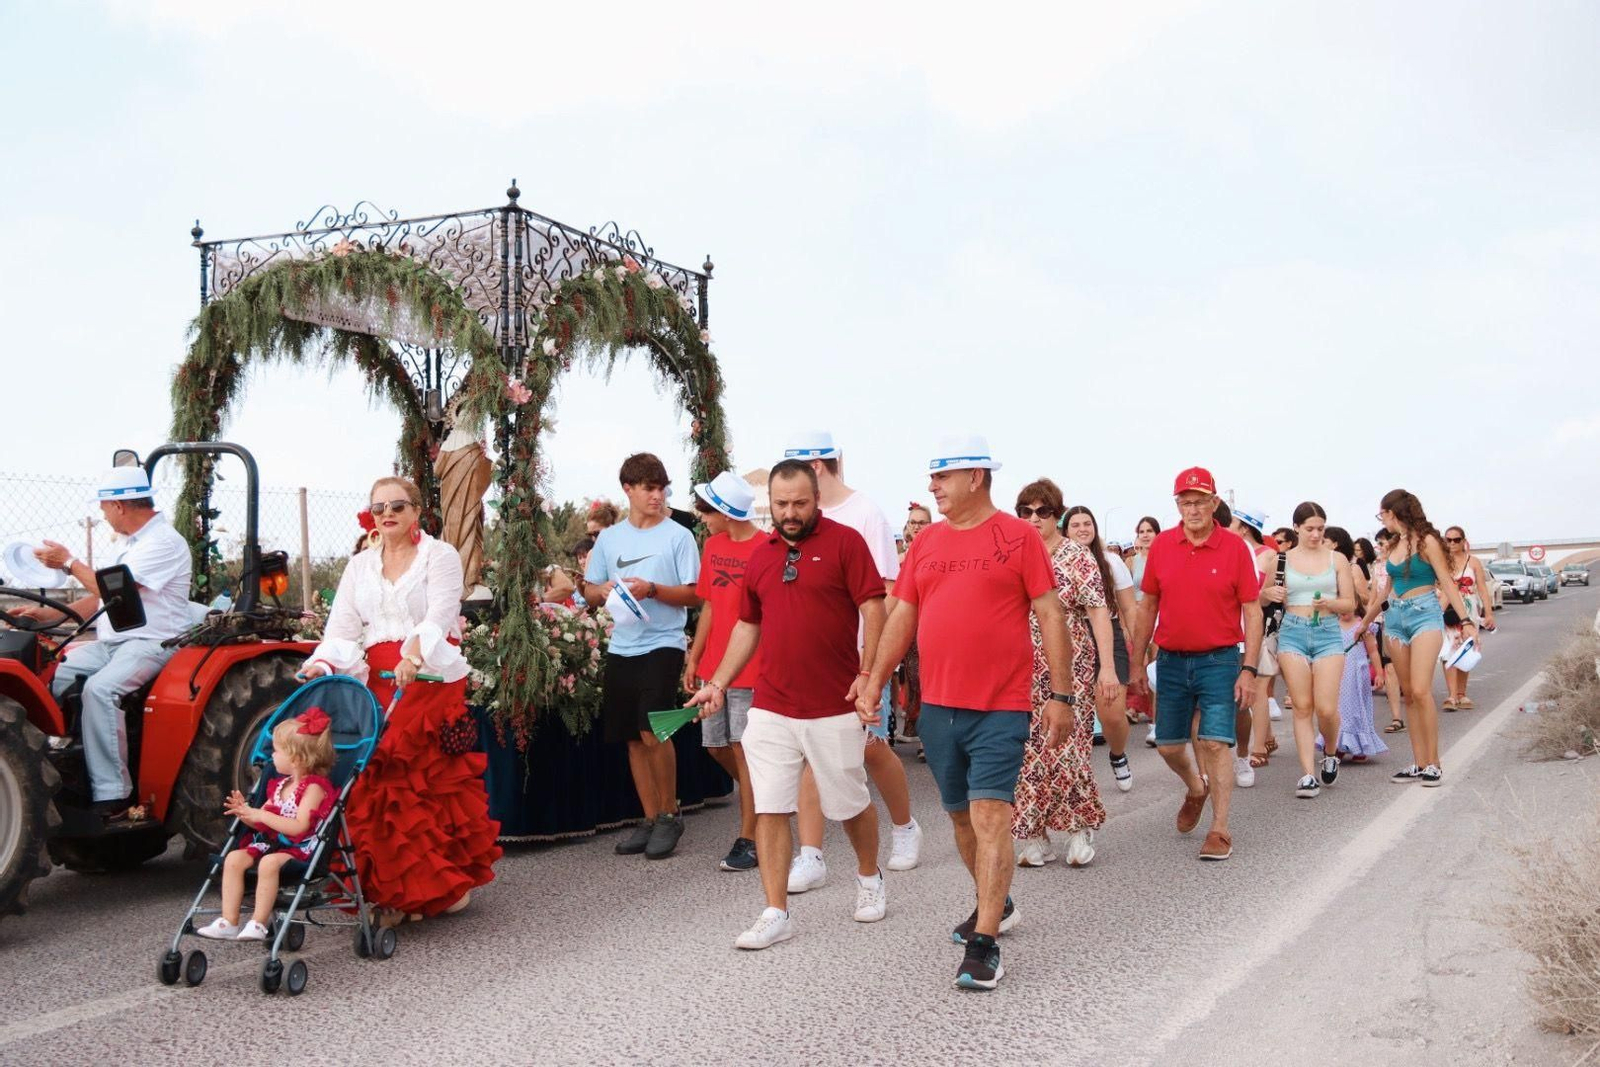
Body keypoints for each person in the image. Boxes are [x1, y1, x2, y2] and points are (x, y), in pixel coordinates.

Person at [863, 434, 1074, 991]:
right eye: (932, 477)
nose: (932, 487)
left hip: (1000, 706)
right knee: (959, 817)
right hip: (938, 706)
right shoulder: (927, 542)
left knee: (989, 817)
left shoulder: (1018, 536)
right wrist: (874, 680)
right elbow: (902, 614)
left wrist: (1062, 694)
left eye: (942, 477)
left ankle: (984, 945)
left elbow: (1051, 615)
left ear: (975, 477)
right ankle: (997, 904)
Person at [686, 460, 888, 950]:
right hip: (771, 705)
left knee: (850, 802)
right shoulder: (760, 556)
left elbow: (874, 607)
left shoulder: (846, 542)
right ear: (768, 504)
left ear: (816, 497)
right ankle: (776, 910)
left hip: (833, 702)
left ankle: (869, 878)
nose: (791, 513)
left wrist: (868, 675)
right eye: (781, 504)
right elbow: (747, 626)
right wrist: (718, 681)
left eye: (800, 503)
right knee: (771, 808)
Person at [300, 475, 500, 921]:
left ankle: (422, 890)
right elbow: (343, 628)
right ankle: (390, 887)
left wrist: (414, 650)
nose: (387, 514)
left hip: (427, 675)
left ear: (415, 511)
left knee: (411, 773)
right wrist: (322, 663)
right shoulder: (359, 566)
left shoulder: (439, 556)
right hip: (378, 681)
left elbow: (442, 611)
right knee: (370, 770)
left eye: (397, 505)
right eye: (379, 508)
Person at [782, 431, 922, 893]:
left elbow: (886, 587)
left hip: (862, 656)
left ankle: (904, 828)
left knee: (868, 746)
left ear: (817, 468)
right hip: (811, 660)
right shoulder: (794, 518)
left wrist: (875, 663)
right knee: (809, 750)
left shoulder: (865, 512)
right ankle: (811, 854)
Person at [29, 467, 194, 820]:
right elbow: (100, 597)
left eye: (104, 508)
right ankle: (65, 764)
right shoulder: (129, 544)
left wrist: (69, 563)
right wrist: (46, 615)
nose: (103, 515)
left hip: (152, 642)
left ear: (119, 505)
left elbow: (113, 590)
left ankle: (112, 795)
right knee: (51, 678)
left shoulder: (163, 542)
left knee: (100, 690)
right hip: (113, 643)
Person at [1128, 467, 1263, 862]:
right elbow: (1148, 605)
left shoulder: (1235, 549)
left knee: (1215, 742)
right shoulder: (1164, 547)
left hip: (1220, 659)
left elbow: (1252, 612)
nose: (1193, 509)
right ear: (1177, 506)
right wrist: (1136, 664)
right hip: (1170, 660)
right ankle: (1195, 787)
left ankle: (1219, 829)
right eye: (1185, 502)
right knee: (1169, 746)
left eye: (1200, 501)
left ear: (1214, 503)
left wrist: (1249, 669)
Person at [583, 453, 702, 859]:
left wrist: (651, 588)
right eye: (649, 488)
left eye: (662, 487)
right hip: (622, 644)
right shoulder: (610, 538)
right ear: (628, 489)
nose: (657, 495)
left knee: (655, 727)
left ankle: (671, 814)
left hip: (664, 641)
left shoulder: (678, 536)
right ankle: (650, 818)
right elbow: (589, 588)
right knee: (631, 737)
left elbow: (695, 594)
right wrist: (599, 593)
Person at [1010, 484, 1105, 870]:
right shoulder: (1014, 553)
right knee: (1029, 750)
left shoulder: (1076, 555)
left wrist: (1108, 668)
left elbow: (1098, 611)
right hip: (1021, 665)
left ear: (1058, 515)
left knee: (1068, 747)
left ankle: (1080, 827)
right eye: (1026, 511)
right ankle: (1034, 834)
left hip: (1071, 664)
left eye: (1043, 511)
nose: (1034, 519)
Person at [1363, 489, 1478, 787]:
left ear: (1394, 512)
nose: (1382, 520)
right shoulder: (1393, 544)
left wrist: (1465, 620)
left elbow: (1448, 583)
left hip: (1425, 613)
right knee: (1409, 693)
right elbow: (1385, 590)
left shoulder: (1427, 542)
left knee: (1422, 689)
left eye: (1382, 514)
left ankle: (1434, 763)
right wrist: (1363, 623)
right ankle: (1418, 762)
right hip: (1396, 618)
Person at [197, 710, 336, 941]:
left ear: (296, 759)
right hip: (272, 842)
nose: (272, 756)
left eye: (277, 751)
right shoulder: (280, 784)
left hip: (298, 847)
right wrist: (245, 814)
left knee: (269, 863)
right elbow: (262, 819)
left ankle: (258, 923)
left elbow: (299, 827)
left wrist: (261, 815)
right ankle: (228, 921)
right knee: (233, 858)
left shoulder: (314, 788)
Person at [684, 472, 763, 872]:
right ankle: (766, 798)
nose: (702, 518)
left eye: (707, 510)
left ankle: (751, 838)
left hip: (752, 669)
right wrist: (694, 658)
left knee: (742, 751)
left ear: (726, 512)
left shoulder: (767, 547)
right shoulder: (713, 545)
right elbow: (710, 607)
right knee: (716, 747)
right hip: (713, 669)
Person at [1271, 503, 1357, 799]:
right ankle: (1307, 774)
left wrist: (1329, 604)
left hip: (1328, 632)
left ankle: (1330, 753)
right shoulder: (1281, 559)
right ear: (1296, 528)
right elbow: (1260, 599)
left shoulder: (1338, 559)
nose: (1316, 534)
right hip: (1292, 631)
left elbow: (1350, 603)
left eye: (1321, 528)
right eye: (1309, 528)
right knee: (1302, 706)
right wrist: (1268, 593)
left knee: (1326, 708)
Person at [1063, 504, 1135, 793]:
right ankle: (1077, 778)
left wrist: (1136, 644)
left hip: (1110, 635)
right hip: (1069, 639)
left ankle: (1118, 754)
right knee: (1074, 716)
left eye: (1087, 524)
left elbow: (1129, 606)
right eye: (1076, 524)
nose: (1082, 529)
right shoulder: (1057, 560)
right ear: (1065, 530)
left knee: (1112, 714)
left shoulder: (1111, 561)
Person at [1324, 525, 1388, 764]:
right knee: (1334, 706)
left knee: (1356, 707)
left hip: (1357, 672)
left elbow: (1372, 648)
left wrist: (1379, 672)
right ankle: (1337, 743)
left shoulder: (1361, 625)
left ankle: (1358, 743)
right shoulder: (1330, 624)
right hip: (1335, 672)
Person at [1230, 503, 1280, 785]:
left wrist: (1256, 595)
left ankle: (1258, 747)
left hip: (1257, 624)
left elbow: (1267, 597)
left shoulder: (1268, 556)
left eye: (1234, 524)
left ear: (1245, 528)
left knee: (1258, 686)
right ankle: (1267, 737)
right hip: (1235, 623)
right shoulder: (1233, 552)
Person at [1441, 526, 1495, 710]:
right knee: (1448, 651)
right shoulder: (1441, 562)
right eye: (1448, 540)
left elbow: (1482, 588)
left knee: (1465, 650)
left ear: (1464, 541)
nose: (1452, 543)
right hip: (1448, 610)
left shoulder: (1473, 562)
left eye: (1456, 540)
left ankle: (1461, 694)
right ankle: (1451, 695)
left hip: (1469, 610)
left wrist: (1488, 612)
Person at [1370, 529, 1406, 734]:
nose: (1380, 549)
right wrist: (1366, 621)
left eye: (1383, 544)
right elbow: (1375, 596)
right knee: (1390, 668)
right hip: (1387, 622)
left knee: (1411, 674)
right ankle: (1396, 717)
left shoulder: (1408, 563)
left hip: (1412, 621)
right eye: (1379, 545)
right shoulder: (1378, 567)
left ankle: (1417, 709)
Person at [1127, 516, 1161, 729]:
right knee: (1138, 662)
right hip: (1138, 616)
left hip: (1160, 615)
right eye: (1142, 531)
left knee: (1157, 667)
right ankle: (1136, 706)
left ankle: (1157, 721)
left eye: (1150, 530)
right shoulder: (1132, 561)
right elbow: (1126, 594)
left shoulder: (1165, 558)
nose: (1146, 535)